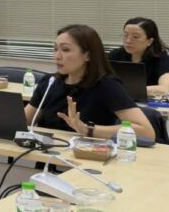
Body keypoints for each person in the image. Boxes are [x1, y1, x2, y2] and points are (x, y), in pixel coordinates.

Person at [25, 24, 156, 141]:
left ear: (88, 55)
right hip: (47, 155)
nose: (57, 56)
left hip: (89, 156)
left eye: (65, 50)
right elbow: (25, 120)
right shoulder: (49, 82)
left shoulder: (107, 85)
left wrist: (87, 129)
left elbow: (147, 132)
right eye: (55, 49)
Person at [108, 17, 169, 95]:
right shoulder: (115, 55)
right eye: (125, 35)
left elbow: (165, 88)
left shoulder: (160, 58)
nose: (128, 41)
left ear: (149, 41)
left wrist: (125, 90)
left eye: (135, 37)